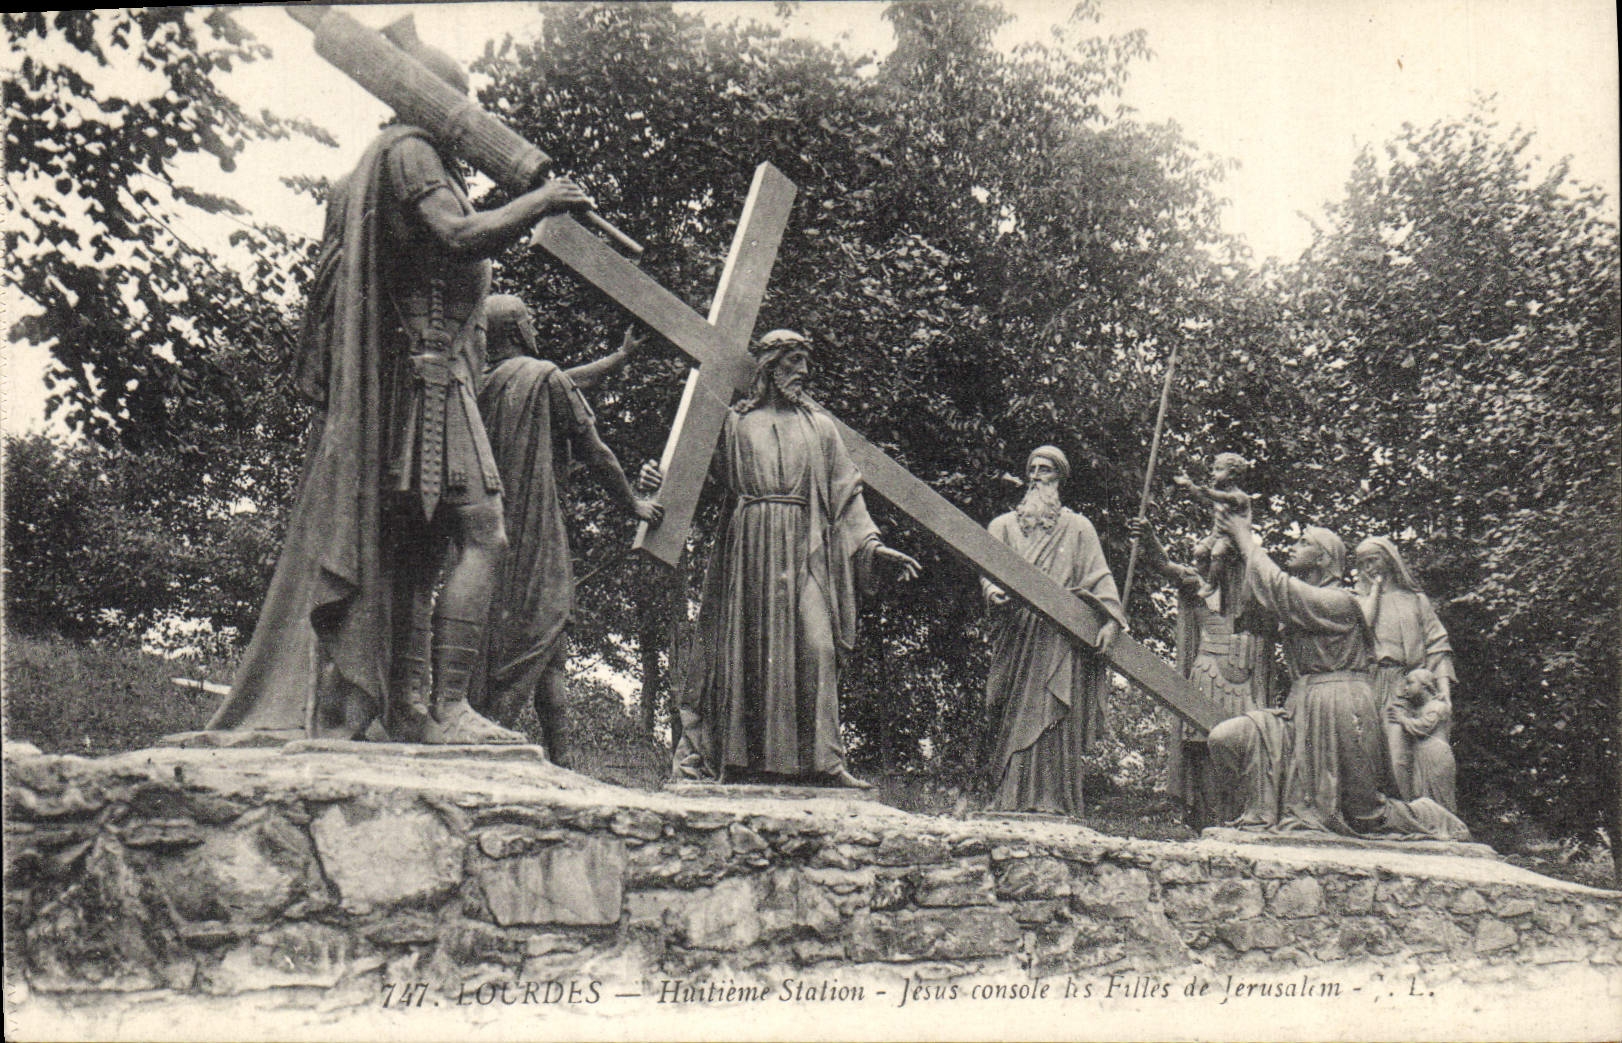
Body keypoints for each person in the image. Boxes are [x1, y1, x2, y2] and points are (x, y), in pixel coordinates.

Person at [209, 29, 598, 744]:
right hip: (425, 379)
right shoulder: (411, 152)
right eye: (462, 103)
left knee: (418, 549)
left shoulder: (396, 158)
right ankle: (446, 708)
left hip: (427, 375)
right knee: (484, 532)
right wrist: (538, 203)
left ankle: (414, 706)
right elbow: (454, 235)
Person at [671, 329, 920, 787]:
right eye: (794, 362)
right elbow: (695, 482)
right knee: (748, 651)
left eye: (805, 362)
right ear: (769, 367)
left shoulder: (819, 428)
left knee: (818, 646)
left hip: (807, 548)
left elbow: (847, 494)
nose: (803, 373)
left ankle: (826, 763)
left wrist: (871, 545)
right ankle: (744, 762)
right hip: (750, 548)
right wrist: (657, 477)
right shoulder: (733, 424)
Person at [472, 295, 663, 765]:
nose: (536, 326)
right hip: (538, 531)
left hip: (488, 535)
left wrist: (618, 358)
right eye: (531, 319)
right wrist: (634, 504)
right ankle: (499, 744)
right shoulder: (542, 377)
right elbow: (595, 452)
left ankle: (561, 761)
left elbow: (568, 382)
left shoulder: (480, 385)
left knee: (543, 644)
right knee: (542, 629)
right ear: (517, 330)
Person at [1205, 506, 1468, 840]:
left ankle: (1431, 817)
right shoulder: (1303, 605)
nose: (1293, 547)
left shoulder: (1340, 602)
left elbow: (1279, 587)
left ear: (1324, 558)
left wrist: (1245, 536)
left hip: (1343, 708)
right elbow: (1250, 605)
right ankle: (1260, 814)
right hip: (1300, 706)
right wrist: (1225, 552)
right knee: (1226, 738)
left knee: (1364, 815)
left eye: (1303, 543)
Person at [981, 446, 1125, 816]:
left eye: (1045, 470)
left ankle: (1052, 801)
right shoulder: (1002, 526)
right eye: (1031, 469)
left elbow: (1101, 579)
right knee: (1011, 713)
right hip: (1017, 635)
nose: (1035, 475)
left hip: (1059, 640)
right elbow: (987, 569)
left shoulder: (1079, 529)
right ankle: (1010, 798)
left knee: (1053, 717)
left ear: (1059, 479)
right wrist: (992, 590)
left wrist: (1111, 621)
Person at [1128, 513, 1276, 827]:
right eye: (1211, 560)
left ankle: (1241, 816)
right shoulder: (1200, 586)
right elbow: (1165, 566)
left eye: (1225, 558)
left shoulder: (1256, 589)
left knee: (1246, 746)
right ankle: (1210, 820)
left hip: (1245, 681)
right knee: (1206, 747)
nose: (1216, 565)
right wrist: (1149, 536)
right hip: (1208, 674)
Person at [1353, 536, 1456, 799]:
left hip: (1407, 684)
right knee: (1365, 750)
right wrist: (1373, 592)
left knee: (1398, 751)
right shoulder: (1359, 602)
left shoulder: (1415, 600)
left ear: (1389, 559)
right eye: (1362, 563)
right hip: (1368, 681)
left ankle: (1407, 814)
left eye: (1373, 560)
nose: (1368, 568)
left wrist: (1444, 692)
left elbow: (1438, 647)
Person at [1173, 452, 1253, 600]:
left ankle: (1212, 584)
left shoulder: (1240, 496)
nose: (1213, 473)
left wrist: (1209, 492)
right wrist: (1189, 485)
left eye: (1219, 469)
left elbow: (1226, 498)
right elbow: (1201, 496)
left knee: (1217, 553)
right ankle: (1205, 577)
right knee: (1199, 552)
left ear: (1232, 475)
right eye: (1214, 469)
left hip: (1233, 538)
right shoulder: (1217, 494)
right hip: (1216, 535)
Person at [1387, 667, 1459, 813]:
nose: (1405, 688)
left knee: (1439, 796)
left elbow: (1423, 727)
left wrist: (1402, 719)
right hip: (1422, 755)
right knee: (1421, 795)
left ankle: (1447, 828)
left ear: (1425, 686)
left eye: (1410, 683)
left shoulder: (1438, 706)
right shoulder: (1422, 708)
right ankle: (1429, 826)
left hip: (1436, 756)